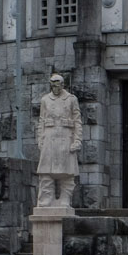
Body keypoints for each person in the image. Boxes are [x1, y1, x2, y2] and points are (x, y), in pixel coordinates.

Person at [36, 74, 83, 207]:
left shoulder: (71, 99)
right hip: (49, 137)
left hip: (65, 136)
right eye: (53, 85)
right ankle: (46, 199)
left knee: (67, 172)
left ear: (62, 85)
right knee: (46, 171)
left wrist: (77, 140)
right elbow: (41, 121)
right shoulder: (45, 100)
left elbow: (77, 121)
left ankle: (65, 199)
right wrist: (40, 139)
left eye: (57, 85)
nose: (55, 88)